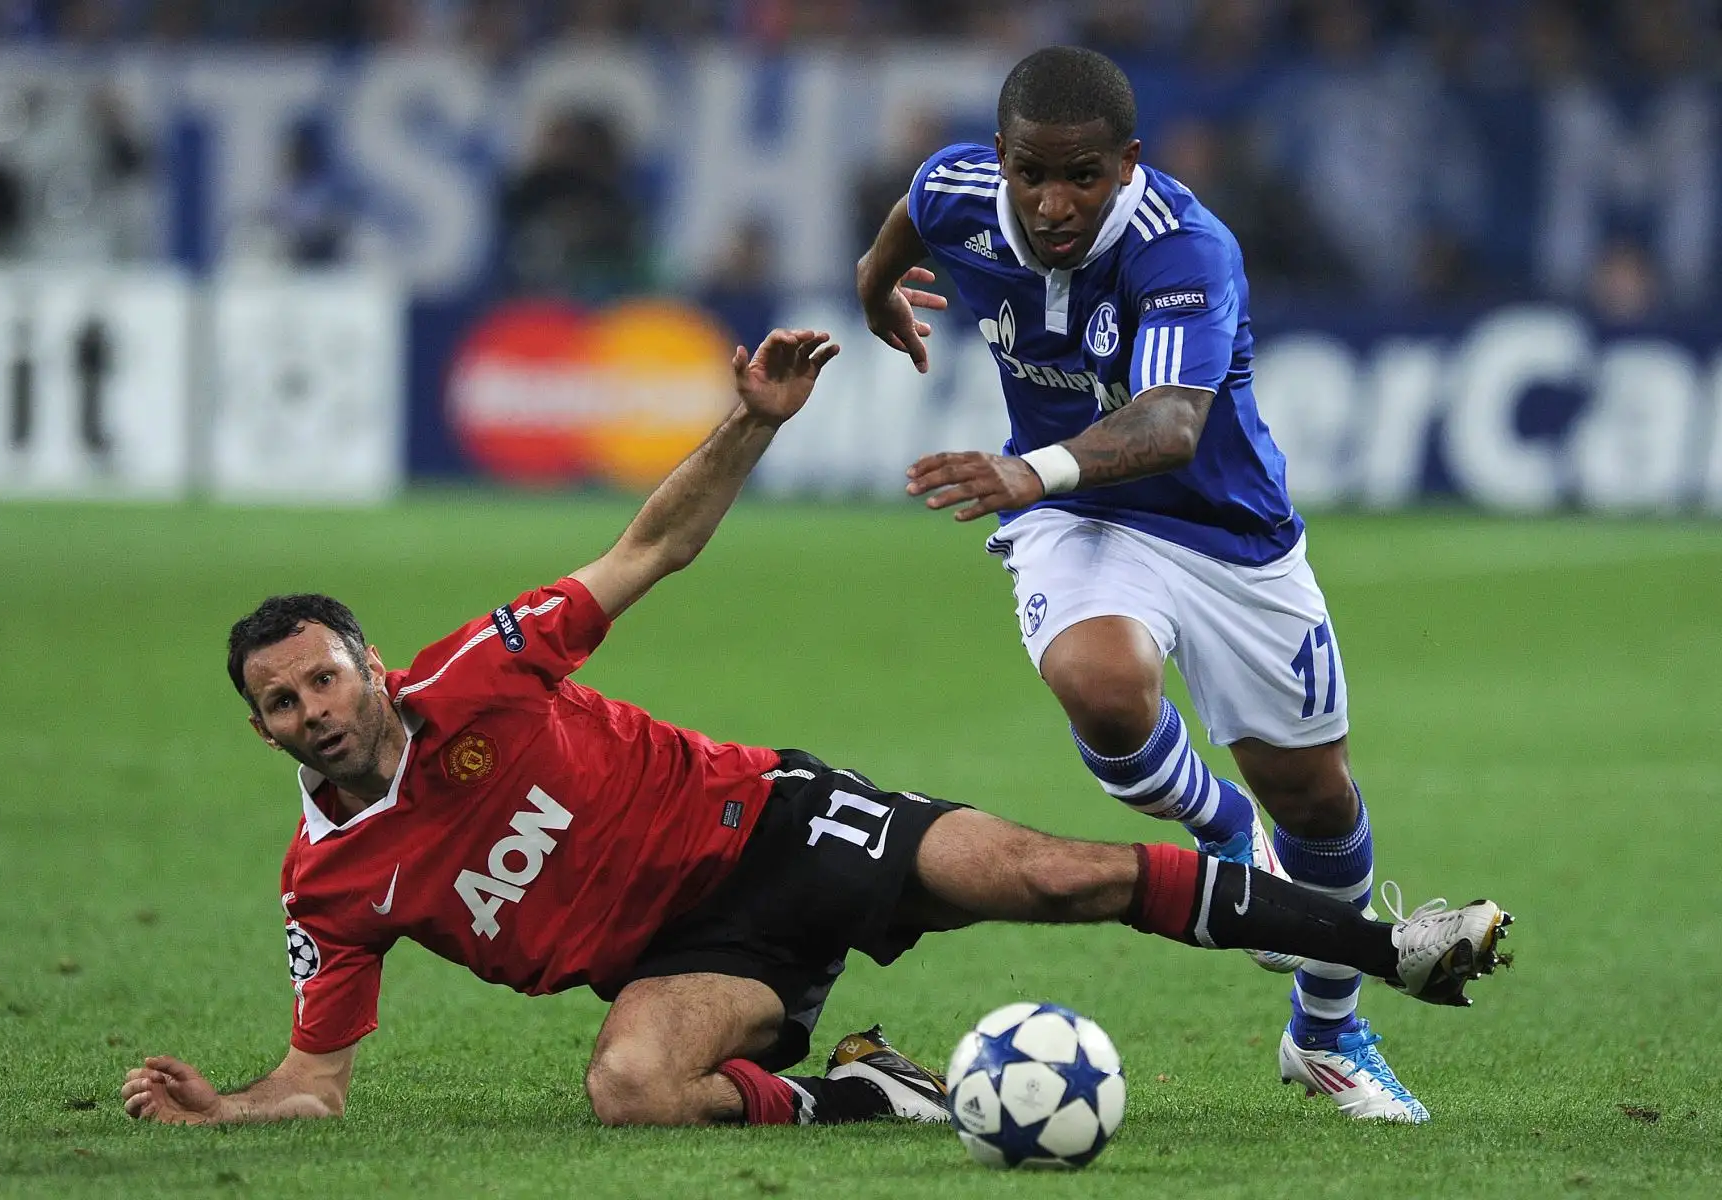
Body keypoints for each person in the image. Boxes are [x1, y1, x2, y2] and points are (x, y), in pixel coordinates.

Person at [120, 328, 1512, 1130]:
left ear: (368, 666)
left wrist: (748, 422)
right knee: (627, 1092)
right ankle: (882, 1099)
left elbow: (649, 550)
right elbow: (317, 1082)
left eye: (323, 679)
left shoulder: (479, 673)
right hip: (692, 958)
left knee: (1054, 876)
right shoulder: (328, 888)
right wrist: (230, 1109)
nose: (313, 711)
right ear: (264, 733)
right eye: (281, 704)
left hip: (768, 821)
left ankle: (1393, 948)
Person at [854, 46, 1441, 1121]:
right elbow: (910, 211)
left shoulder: (1186, 249)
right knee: (1101, 679)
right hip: (1077, 516)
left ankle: (1325, 1034)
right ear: (1002, 158)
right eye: (1032, 173)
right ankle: (1220, 829)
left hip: (1229, 536)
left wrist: (1022, 468)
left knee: (1316, 800)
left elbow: (1173, 425)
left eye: (1082, 175)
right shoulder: (957, 188)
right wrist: (875, 285)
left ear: (1127, 164)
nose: (1053, 202)